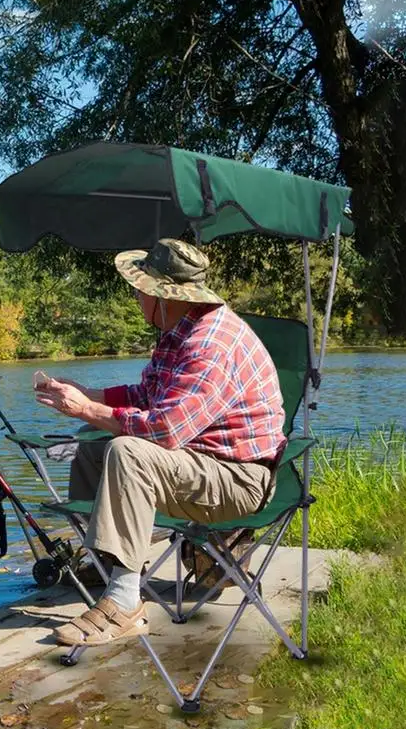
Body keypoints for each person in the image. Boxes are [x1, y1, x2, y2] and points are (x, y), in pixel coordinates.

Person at [34, 239, 285, 646]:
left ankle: (124, 601)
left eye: (140, 289)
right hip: (201, 465)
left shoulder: (211, 344)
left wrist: (86, 411)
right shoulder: (179, 330)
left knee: (127, 451)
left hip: (238, 482)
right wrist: (90, 395)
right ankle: (103, 564)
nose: (135, 296)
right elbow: (149, 395)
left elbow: (165, 430)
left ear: (164, 297)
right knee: (92, 449)